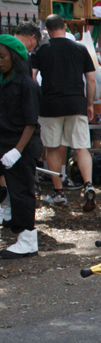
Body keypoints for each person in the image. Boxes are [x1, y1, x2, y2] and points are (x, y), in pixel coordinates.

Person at [31, 15, 96, 211]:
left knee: (52, 148)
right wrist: (90, 103)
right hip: (76, 103)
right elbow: (91, 79)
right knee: (81, 147)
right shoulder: (80, 48)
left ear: (47, 30)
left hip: (50, 105)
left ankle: (59, 192)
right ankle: (88, 185)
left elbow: (33, 77)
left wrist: (38, 99)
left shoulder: (41, 50)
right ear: (65, 26)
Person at [0, 35, 42, 259]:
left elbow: (30, 121)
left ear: (14, 58)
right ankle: (7, 214)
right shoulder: (3, 82)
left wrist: (17, 150)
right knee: (11, 190)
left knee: (22, 190)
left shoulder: (26, 84)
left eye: (3, 56)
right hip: (4, 142)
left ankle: (27, 239)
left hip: (21, 145)